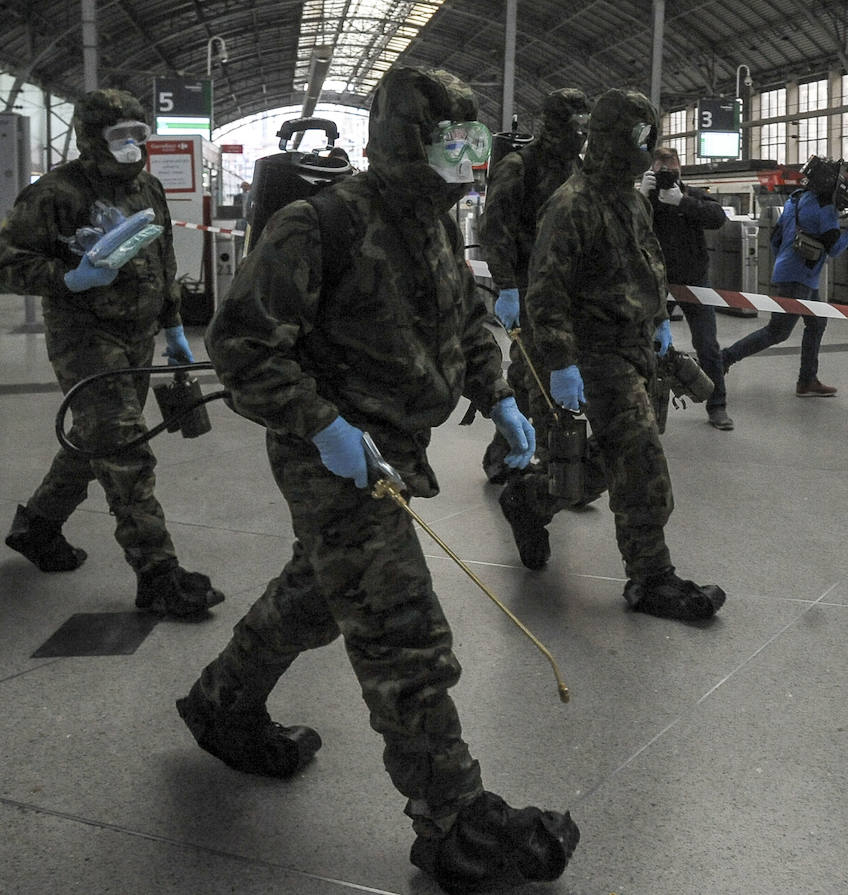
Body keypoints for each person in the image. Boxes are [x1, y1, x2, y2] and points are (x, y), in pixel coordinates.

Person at [175, 67, 577, 895]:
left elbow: (463, 314)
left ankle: (222, 701)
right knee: (402, 629)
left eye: (473, 144)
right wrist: (324, 427)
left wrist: (497, 395)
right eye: (452, 142)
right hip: (327, 449)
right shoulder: (316, 223)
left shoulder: (431, 221)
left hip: (393, 443)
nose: (469, 159)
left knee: (317, 594)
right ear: (408, 140)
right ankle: (453, 819)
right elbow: (244, 346)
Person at [0, 88, 224, 620]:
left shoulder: (148, 187)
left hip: (139, 335)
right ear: (92, 136)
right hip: (85, 338)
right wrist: (70, 278)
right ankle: (158, 575)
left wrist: (174, 327)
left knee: (92, 440)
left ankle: (38, 527)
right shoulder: (54, 193)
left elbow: (163, 259)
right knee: (124, 450)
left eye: (140, 135)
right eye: (121, 136)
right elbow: (9, 265)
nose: (133, 145)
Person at [500, 88, 727, 623]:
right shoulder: (571, 204)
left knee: (605, 463)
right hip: (592, 354)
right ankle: (651, 578)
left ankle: (531, 499)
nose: (646, 148)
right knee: (642, 460)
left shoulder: (629, 198)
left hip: (634, 348)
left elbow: (648, 265)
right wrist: (560, 365)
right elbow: (546, 292)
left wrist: (658, 324)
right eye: (639, 138)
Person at [477, 87, 594, 486]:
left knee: (531, 377)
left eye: (585, 125)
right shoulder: (519, 165)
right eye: (575, 124)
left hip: (568, 290)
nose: (581, 133)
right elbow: (495, 228)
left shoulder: (578, 167)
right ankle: (547, 472)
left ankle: (503, 454)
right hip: (528, 288)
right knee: (544, 373)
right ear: (555, 123)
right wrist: (506, 286)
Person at [720, 155, 848, 397]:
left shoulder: (795, 199)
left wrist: (786, 263)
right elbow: (836, 248)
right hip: (800, 277)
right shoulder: (825, 210)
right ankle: (725, 358)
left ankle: (807, 380)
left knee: (817, 321)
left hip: (794, 272)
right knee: (777, 332)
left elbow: (776, 238)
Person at [639, 146, 731, 430]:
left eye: (672, 168)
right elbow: (624, 224)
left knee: (707, 346)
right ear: (651, 170)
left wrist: (682, 202)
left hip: (694, 283)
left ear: (680, 170)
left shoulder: (690, 195)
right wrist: (641, 197)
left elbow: (717, 217)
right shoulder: (645, 200)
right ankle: (642, 406)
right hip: (655, 283)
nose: (666, 173)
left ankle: (717, 406)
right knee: (644, 345)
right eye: (661, 168)